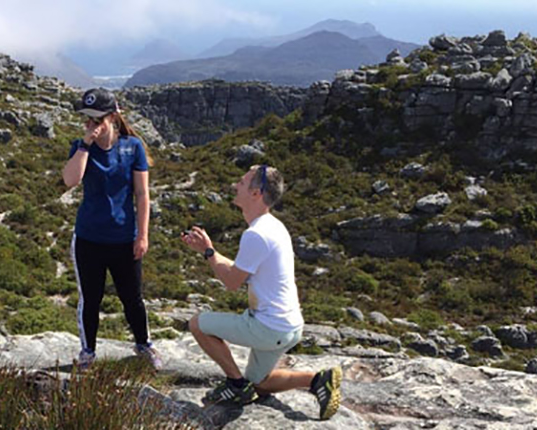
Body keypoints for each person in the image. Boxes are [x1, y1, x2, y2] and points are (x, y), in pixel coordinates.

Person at [181, 164, 342, 420]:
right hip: (289, 326)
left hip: (268, 327)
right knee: (260, 383)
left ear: (256, 193)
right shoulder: (273, 226)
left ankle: (235, 385)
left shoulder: (255, 234)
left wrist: (209, 252)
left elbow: (232, 281)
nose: (236, 185)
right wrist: (207, 250)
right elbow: (238, 269)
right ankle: (317, 380)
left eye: (243, 182)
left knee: (198, 324)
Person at [62, 88, 162, 371]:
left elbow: (142, 195)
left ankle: (144, 345)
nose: (92, 125)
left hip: (124, 239)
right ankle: (88, 352)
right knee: (91, 299)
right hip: (89, 239)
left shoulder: (133, 147)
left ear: (112, 117)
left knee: (132, 297)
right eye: (87, 119)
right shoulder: (81, 147)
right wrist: (84, 144)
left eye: (97, 119)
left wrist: (143, 235)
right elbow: (71, 180)